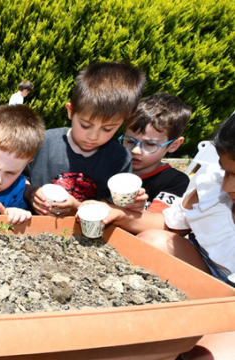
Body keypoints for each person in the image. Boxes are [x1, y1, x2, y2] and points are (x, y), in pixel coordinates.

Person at [80, 112, 235, 360]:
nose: (227, 186)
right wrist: (119, 215)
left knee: (203, 355)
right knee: (153, 242)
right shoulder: (211, 186)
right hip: (204, 269)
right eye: (226, 171)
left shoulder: (173, 179)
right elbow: (168, 224)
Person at [23, 62, 148, 216]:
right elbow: (17, 176)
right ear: (70, 111)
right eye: (85, 125)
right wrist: (30, 192)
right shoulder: (43, 141)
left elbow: (112, 206)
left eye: (108, 129)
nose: (93, 136)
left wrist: (131, 203)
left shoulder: (120, 159)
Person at [119, 93, 191, 212]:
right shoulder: (109, 164)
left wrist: (139, 212)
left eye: (150, 144)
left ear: (173, 145)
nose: (135, 150)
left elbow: (157, 222)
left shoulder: (175, 181)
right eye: (130, 141)